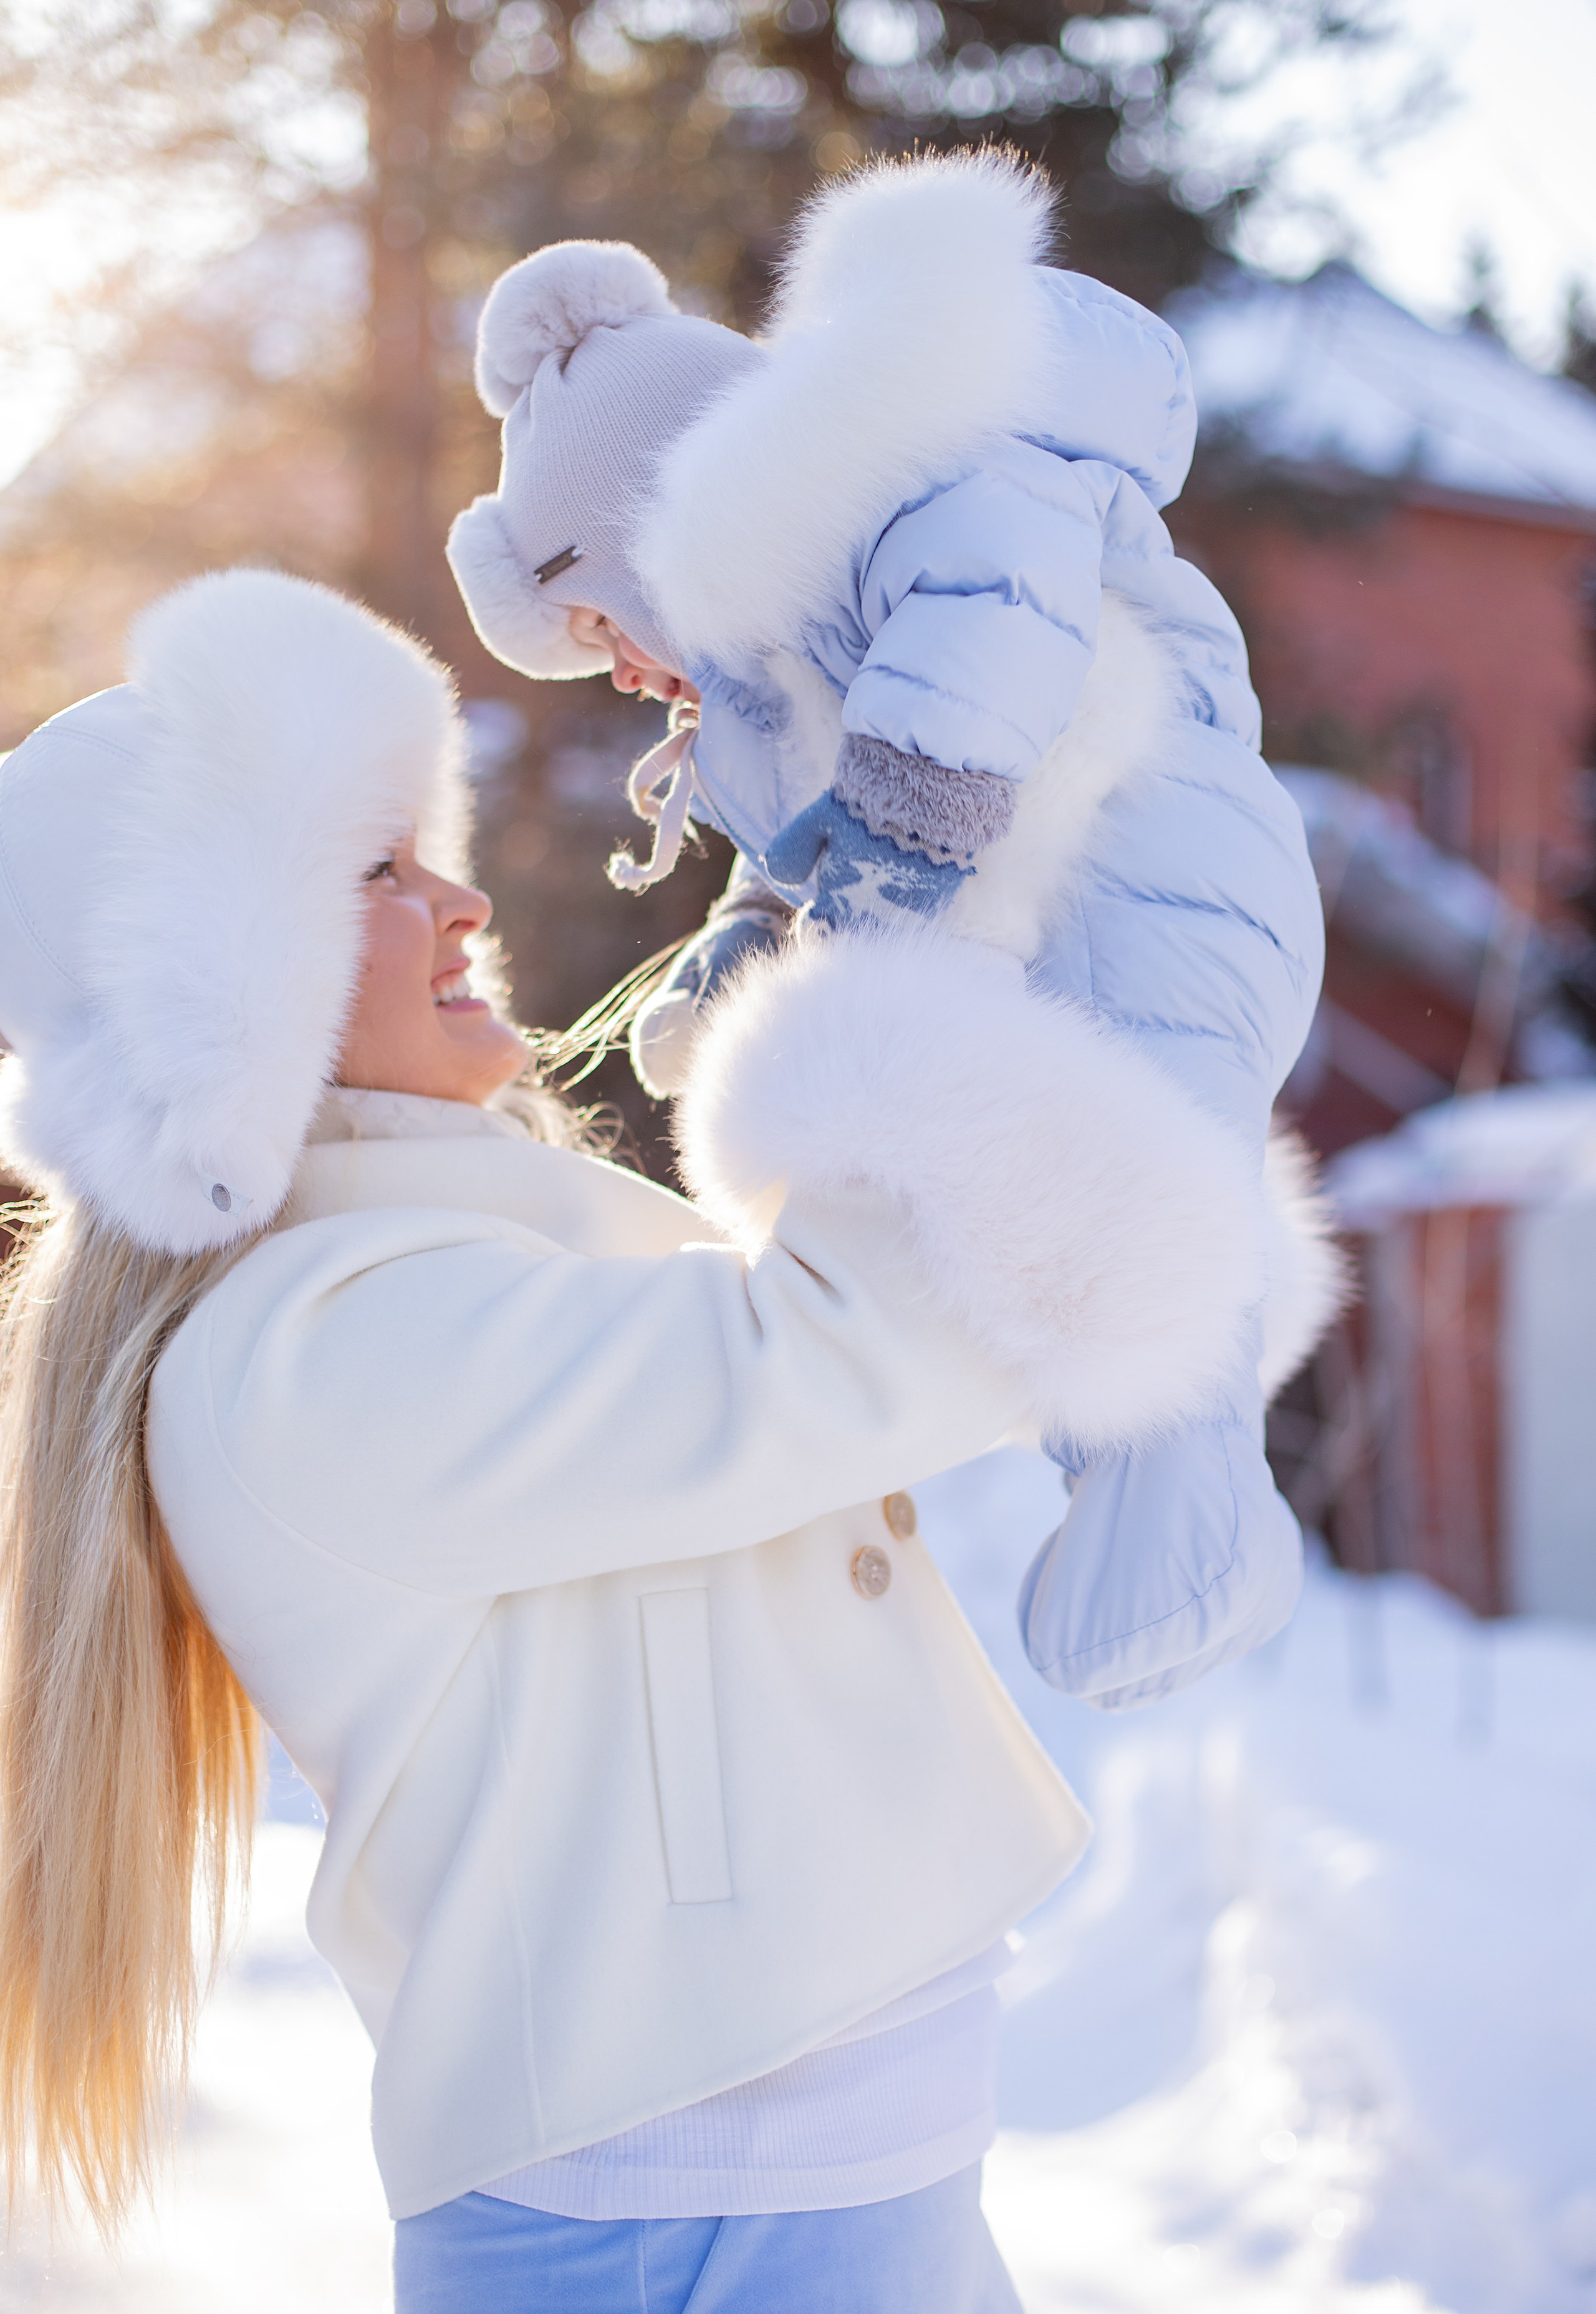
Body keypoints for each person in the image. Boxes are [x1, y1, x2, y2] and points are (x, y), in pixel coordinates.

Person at [0, 567, 1271, 2308]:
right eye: (373, 870)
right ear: (211, 979)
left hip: (784, 2163)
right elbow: (836, 1354)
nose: (457, 899)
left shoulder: (418, 1257)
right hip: (703, 2197)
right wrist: (955, 877)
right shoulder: (306, 1350)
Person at [445, 147, 1337, 1712]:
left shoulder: (897, 476)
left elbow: (1000, 581)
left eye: (599, 627)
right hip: (1068, 896)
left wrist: (914, 801)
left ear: (650, 523)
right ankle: (1144, 1487)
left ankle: (1190, 1517)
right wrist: (750, 936)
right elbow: (811, 850)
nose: (622, 677)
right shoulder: (775, 674)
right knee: (1031, 1196)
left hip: (1159, 859)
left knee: (1137, 1167)